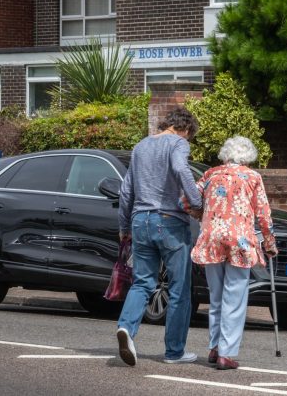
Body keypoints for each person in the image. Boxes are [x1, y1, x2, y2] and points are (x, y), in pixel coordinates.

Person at [115, 106, 203, 366]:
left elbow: (126, 191)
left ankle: (126, 329)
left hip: (140, 221)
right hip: (170, 222)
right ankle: (174, 352)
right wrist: (196, 202)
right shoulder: (178, 143)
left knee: (142, 283)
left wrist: (123, 227)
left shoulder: (141, 146)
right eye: (189, 135)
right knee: (179, 289)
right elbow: (181, 169)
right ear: (185, 129)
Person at [187, 136, 278, 370]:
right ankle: (226, 354)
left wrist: (203, 215)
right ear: (248, 156)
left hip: (212, 238)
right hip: (240, 240)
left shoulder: (210, 175)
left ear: (226, 154)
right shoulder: (253, 177)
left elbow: (187, 201)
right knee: (234, 299)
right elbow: (264, 215)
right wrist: (269, 243)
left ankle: (215, 347)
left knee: (216, 297)